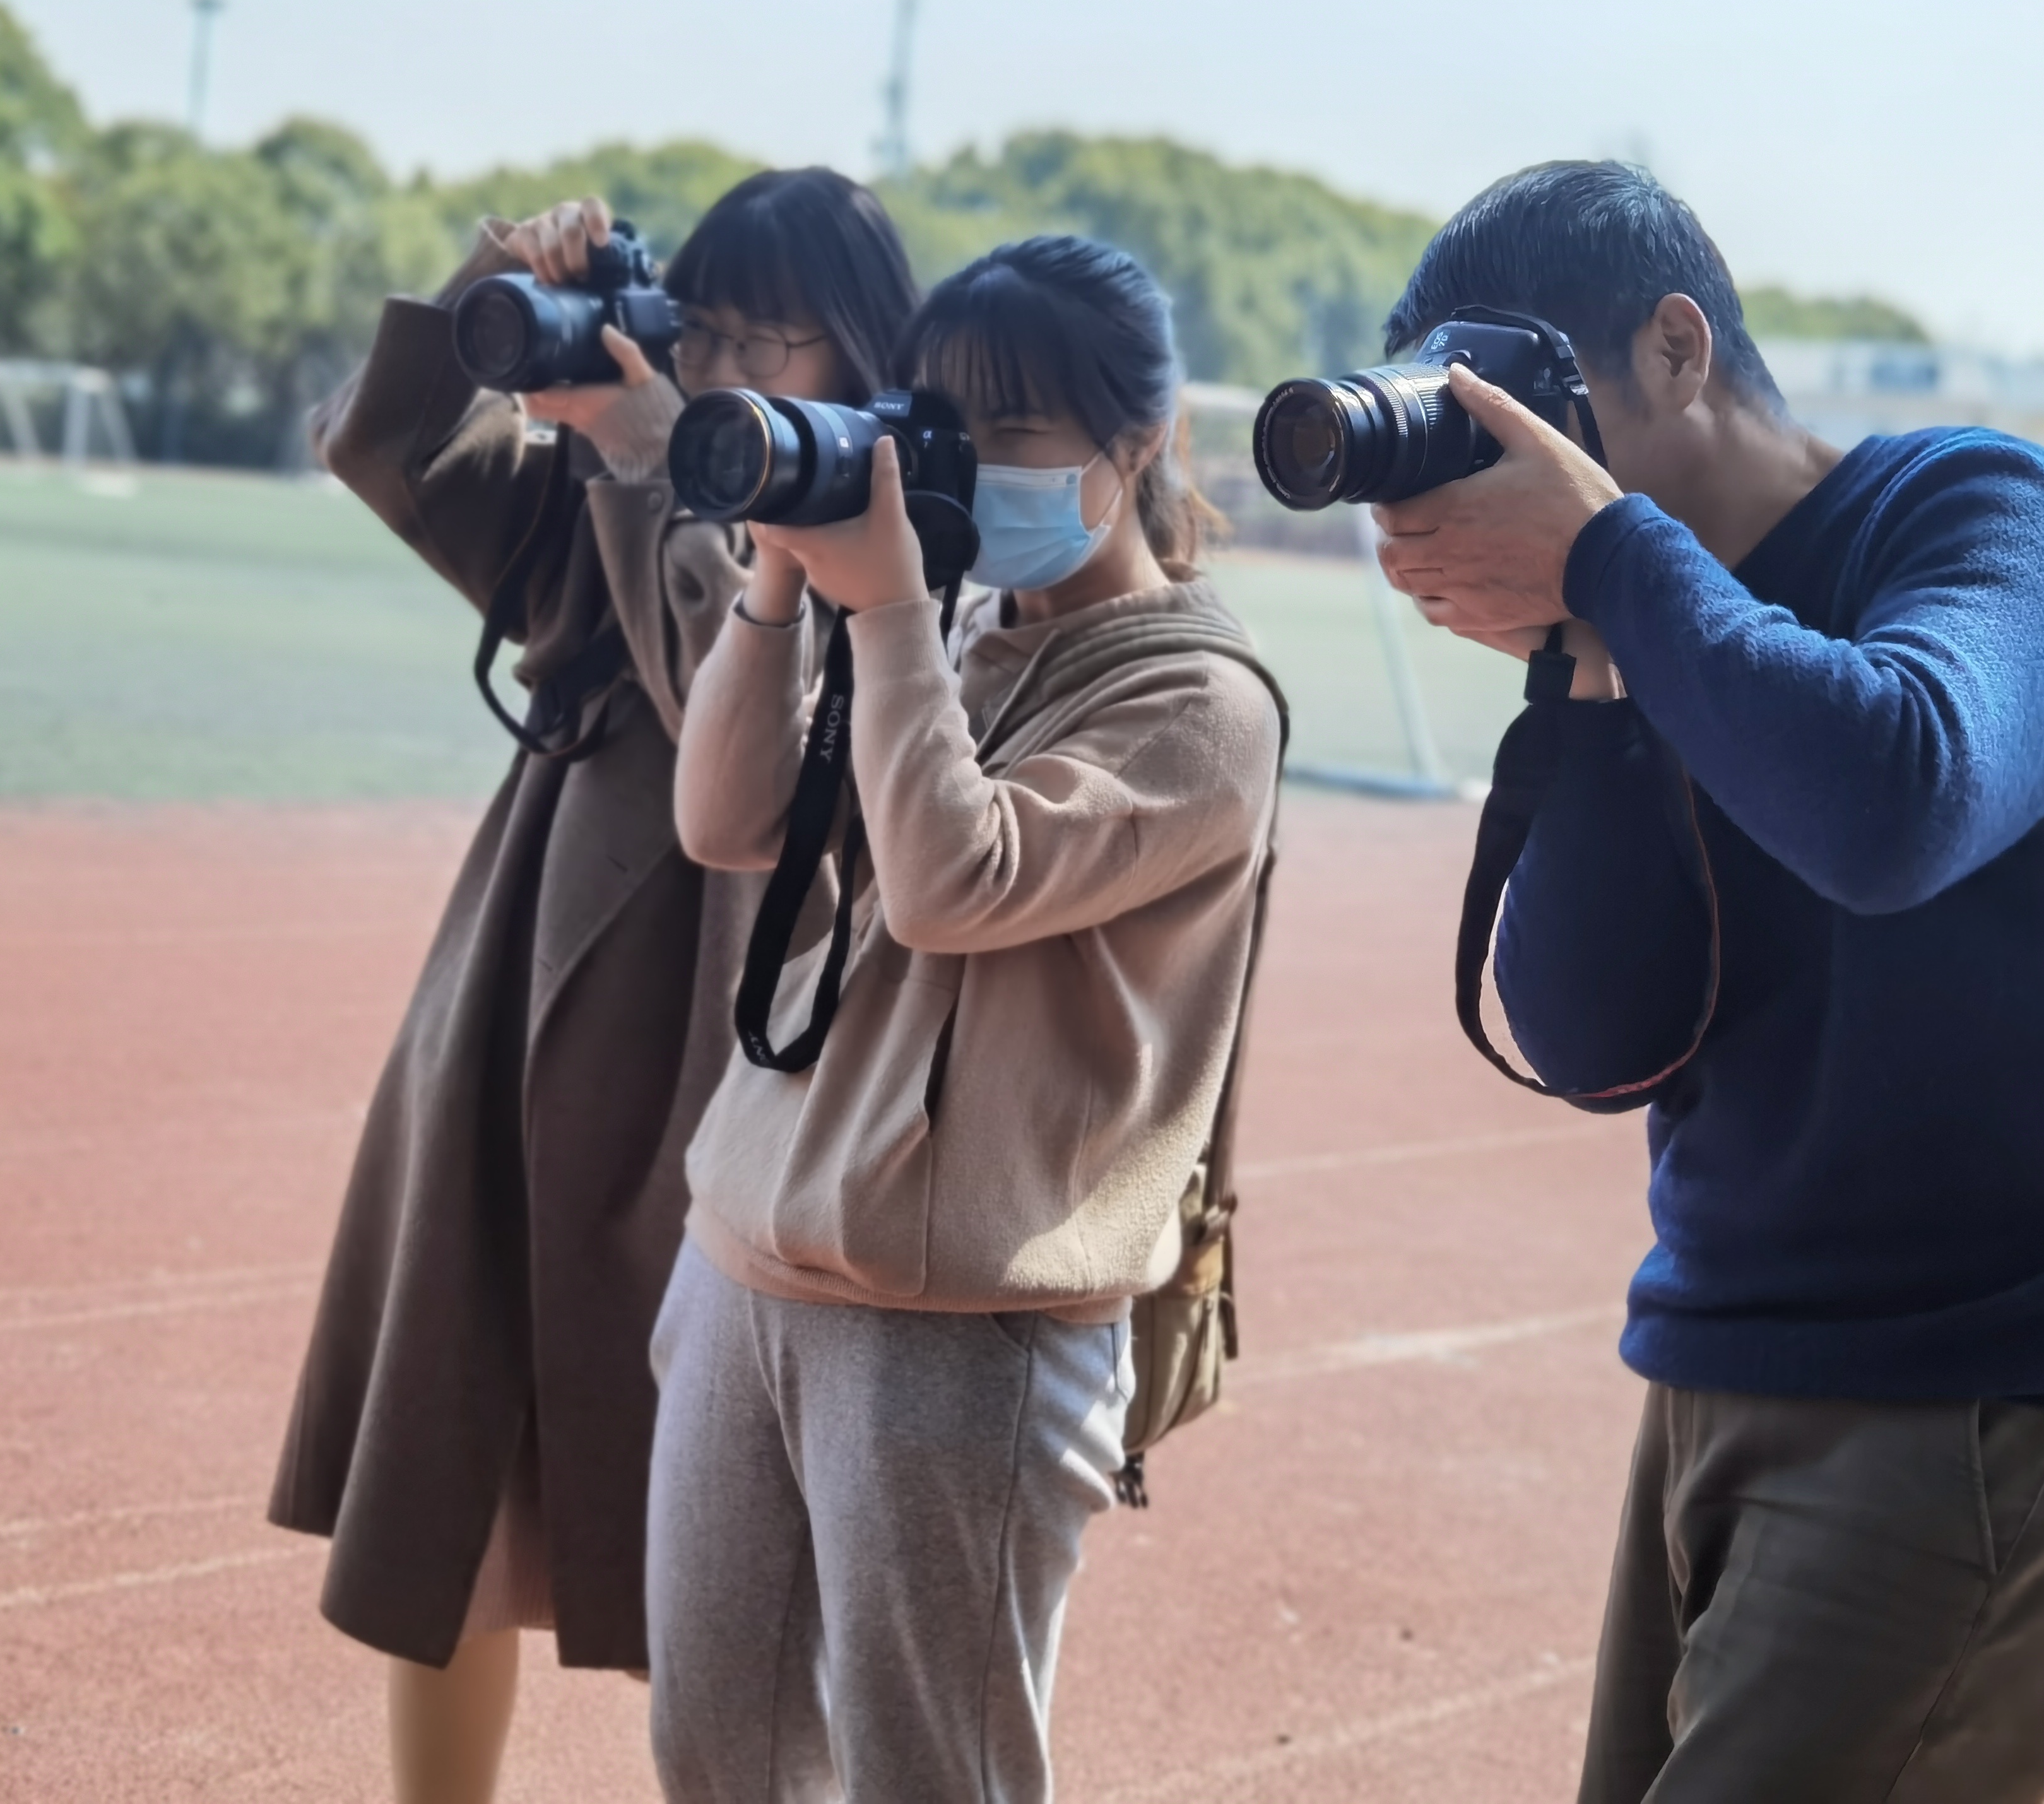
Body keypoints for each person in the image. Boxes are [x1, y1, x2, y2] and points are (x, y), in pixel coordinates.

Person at [1373, 160, 2044, 1802]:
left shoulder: (1985, 510)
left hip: (1977, 1393)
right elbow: (1595, 1035)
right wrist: (1595, 673)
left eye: (1530, 416)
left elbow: (1899, 796)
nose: (1505, 474)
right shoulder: (1642, 613)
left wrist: (1616, 566)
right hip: (1720, 1364)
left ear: (1679, 352)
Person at [269, 168, 918, 1804]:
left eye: (786, 337)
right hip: (513, 1027)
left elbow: (743, 714)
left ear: (864, 358)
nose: (744, 367)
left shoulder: (893, 540)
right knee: (449, 1480)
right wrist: (494, 280)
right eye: (716, 329)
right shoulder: (604, 489)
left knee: (735, 1552)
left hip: (719, 1063)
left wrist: (651, 470)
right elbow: (391, 445)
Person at [646, 235, 1284, 1801]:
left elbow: (950, 883)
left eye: (1018, 429)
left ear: (1140, 443)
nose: (971, 464)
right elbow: (722, 820)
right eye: (944, 423)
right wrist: (784, 575)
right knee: (716, 1761)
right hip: (753, 1261)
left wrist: (882, 623)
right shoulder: (949, 635)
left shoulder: (1200, 706)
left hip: (958, 1336)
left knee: (932, 1778)